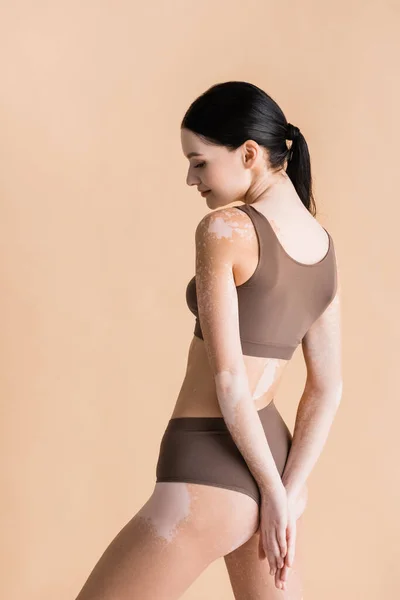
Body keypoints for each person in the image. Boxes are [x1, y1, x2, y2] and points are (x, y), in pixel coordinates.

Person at [75, 81, 342, 600]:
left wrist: (270, 490)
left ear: (248, 154)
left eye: (199, 162)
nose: (190, 178)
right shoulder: (323, 247)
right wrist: (285, 493)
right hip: (277, 462)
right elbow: (327, 389)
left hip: (205, 463)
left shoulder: (224, 229)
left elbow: (229, 380)